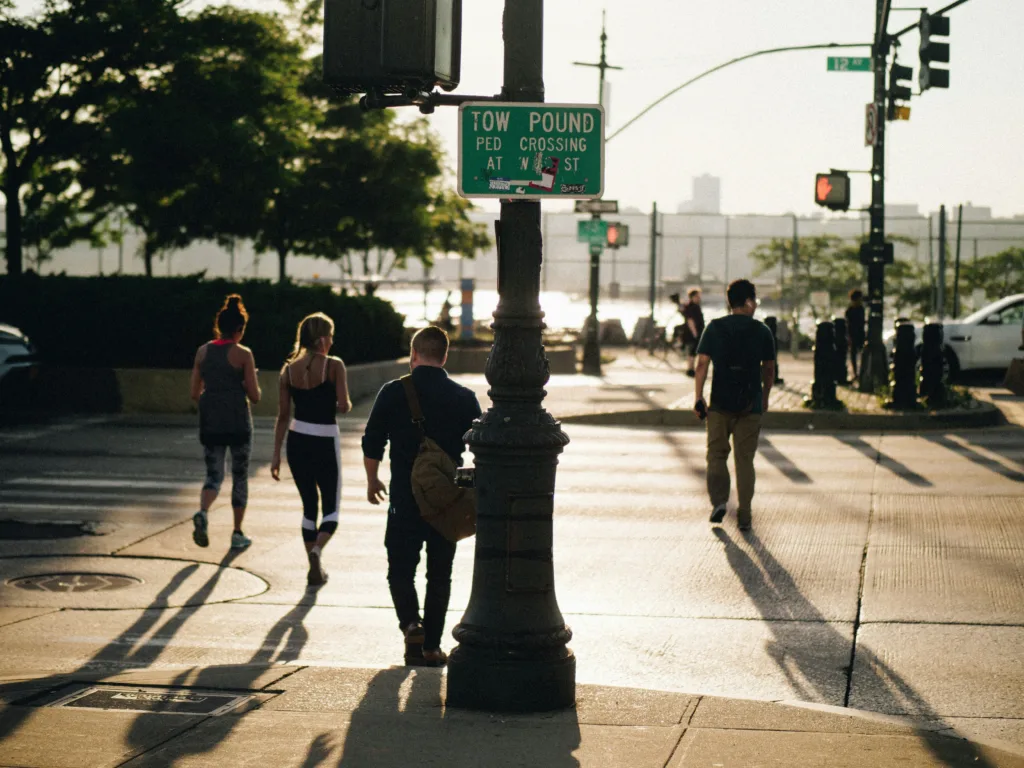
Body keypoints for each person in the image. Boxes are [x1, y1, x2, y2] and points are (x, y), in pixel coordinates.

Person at [361, 326, 482, 667]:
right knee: (439, 575)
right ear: (444, 356)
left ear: (414, 355)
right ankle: (430, 647)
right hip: (446, 503)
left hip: (404, 498)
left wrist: (373, 481)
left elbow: (372, 441)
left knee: (400, 569)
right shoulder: (464, 397)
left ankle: (410, 624)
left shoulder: (393, 392)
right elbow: (480, 450)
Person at [271, 312, 352, 587]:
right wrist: (341, 401)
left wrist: (275, 456)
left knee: (309, 506)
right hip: (325, 439)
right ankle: (318, 550)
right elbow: (344, 405)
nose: (332, 341)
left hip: (296, 440)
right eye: (330, 336)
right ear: (322, 339)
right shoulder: (334, 366)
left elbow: (283, 416)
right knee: (331, 508)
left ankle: (312, 565)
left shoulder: (288, 370)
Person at [693, 279, 776, 532]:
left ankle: (719, 501)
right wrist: (765, 396)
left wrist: (699, 397)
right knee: (744, 460)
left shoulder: (715, 327)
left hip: (719, 404)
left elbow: (702, 364)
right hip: (750, 405)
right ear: (749, 301)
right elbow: (769, 368)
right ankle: (745, 514)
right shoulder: (762, 331)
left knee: (716, 455)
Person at [190, 294, 261, 550]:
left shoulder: (203, 351)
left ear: (219, 326)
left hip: (211, 423)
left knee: (214, 475)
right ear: (240, 329)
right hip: (238, 424)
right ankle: (237, 532)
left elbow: (194, 393)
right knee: (240, 476)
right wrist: (243, 382)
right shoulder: (243, 354)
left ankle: (203, 512)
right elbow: (255, 396)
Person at [680, 288, 705, 376]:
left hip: (694, 332)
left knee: (693, 351)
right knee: (692, 351)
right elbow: (690, 320)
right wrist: (695, 333)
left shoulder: (692, 306)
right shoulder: (692, 307)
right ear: (693, 297)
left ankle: (691, 368)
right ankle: (690, 369)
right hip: (693, 333)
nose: (699, 298)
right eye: (697, 296)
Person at [845, 289, 866, 380]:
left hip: (860, 334)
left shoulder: (860, 309)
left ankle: (860, 372)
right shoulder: (851, 310)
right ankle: (855, 373)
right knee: (854, 355)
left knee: (861, 354)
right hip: (853, 335)